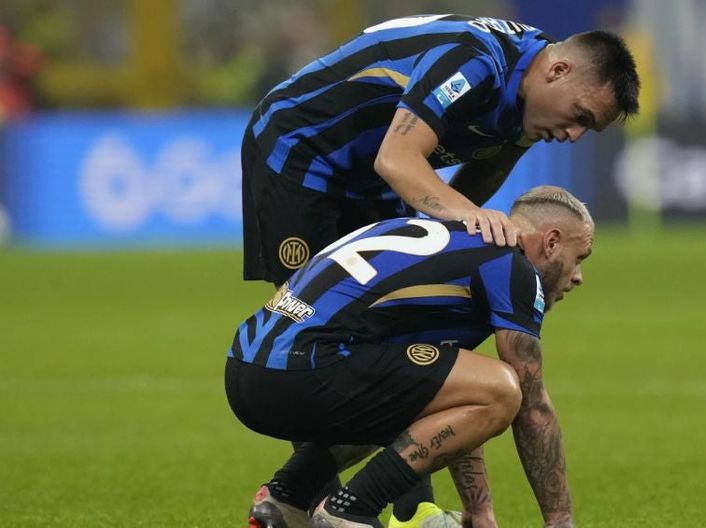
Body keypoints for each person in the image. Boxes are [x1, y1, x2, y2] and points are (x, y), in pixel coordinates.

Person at [226, 185, 595, 528]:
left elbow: (448, 391)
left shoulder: (451, 241)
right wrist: (560, 521)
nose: (578, 277)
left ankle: (286, 497)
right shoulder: (511, 264)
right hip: (306, 367)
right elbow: (533, 409)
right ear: (551, 242)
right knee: (504, 390)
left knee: (422, 390)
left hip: (246, 369)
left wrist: (478, 510)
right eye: (579, 257)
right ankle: (350, 509)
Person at [243, 13, 638, 287]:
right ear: (558, 71)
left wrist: (448, 233)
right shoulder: (476, 60)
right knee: (307, 306)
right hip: (301, 146)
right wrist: (471, 216)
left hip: (371, 174)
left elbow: (491, 166)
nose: (573, 135)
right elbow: (397, 158)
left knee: (386, 301)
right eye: (580, 116)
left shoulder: (534, 100)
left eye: (588, 128)